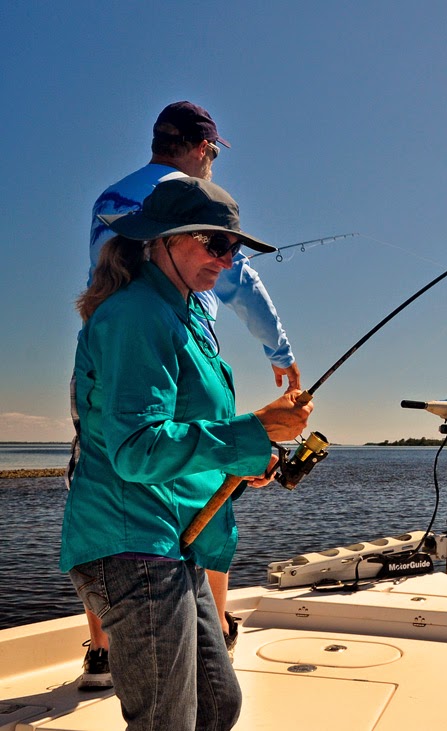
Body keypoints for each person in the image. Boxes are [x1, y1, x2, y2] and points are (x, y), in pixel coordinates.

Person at [63, 177, 313, 731]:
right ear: (163, 239)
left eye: (235, 248)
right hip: (131, 544)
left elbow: (186, 428)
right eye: (216, 243)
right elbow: (137, 449)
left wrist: (249, 457)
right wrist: (253, 430)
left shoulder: (182, 314)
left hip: (173, 542)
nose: (227, 260)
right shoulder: (136, 315)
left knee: (219, 705)